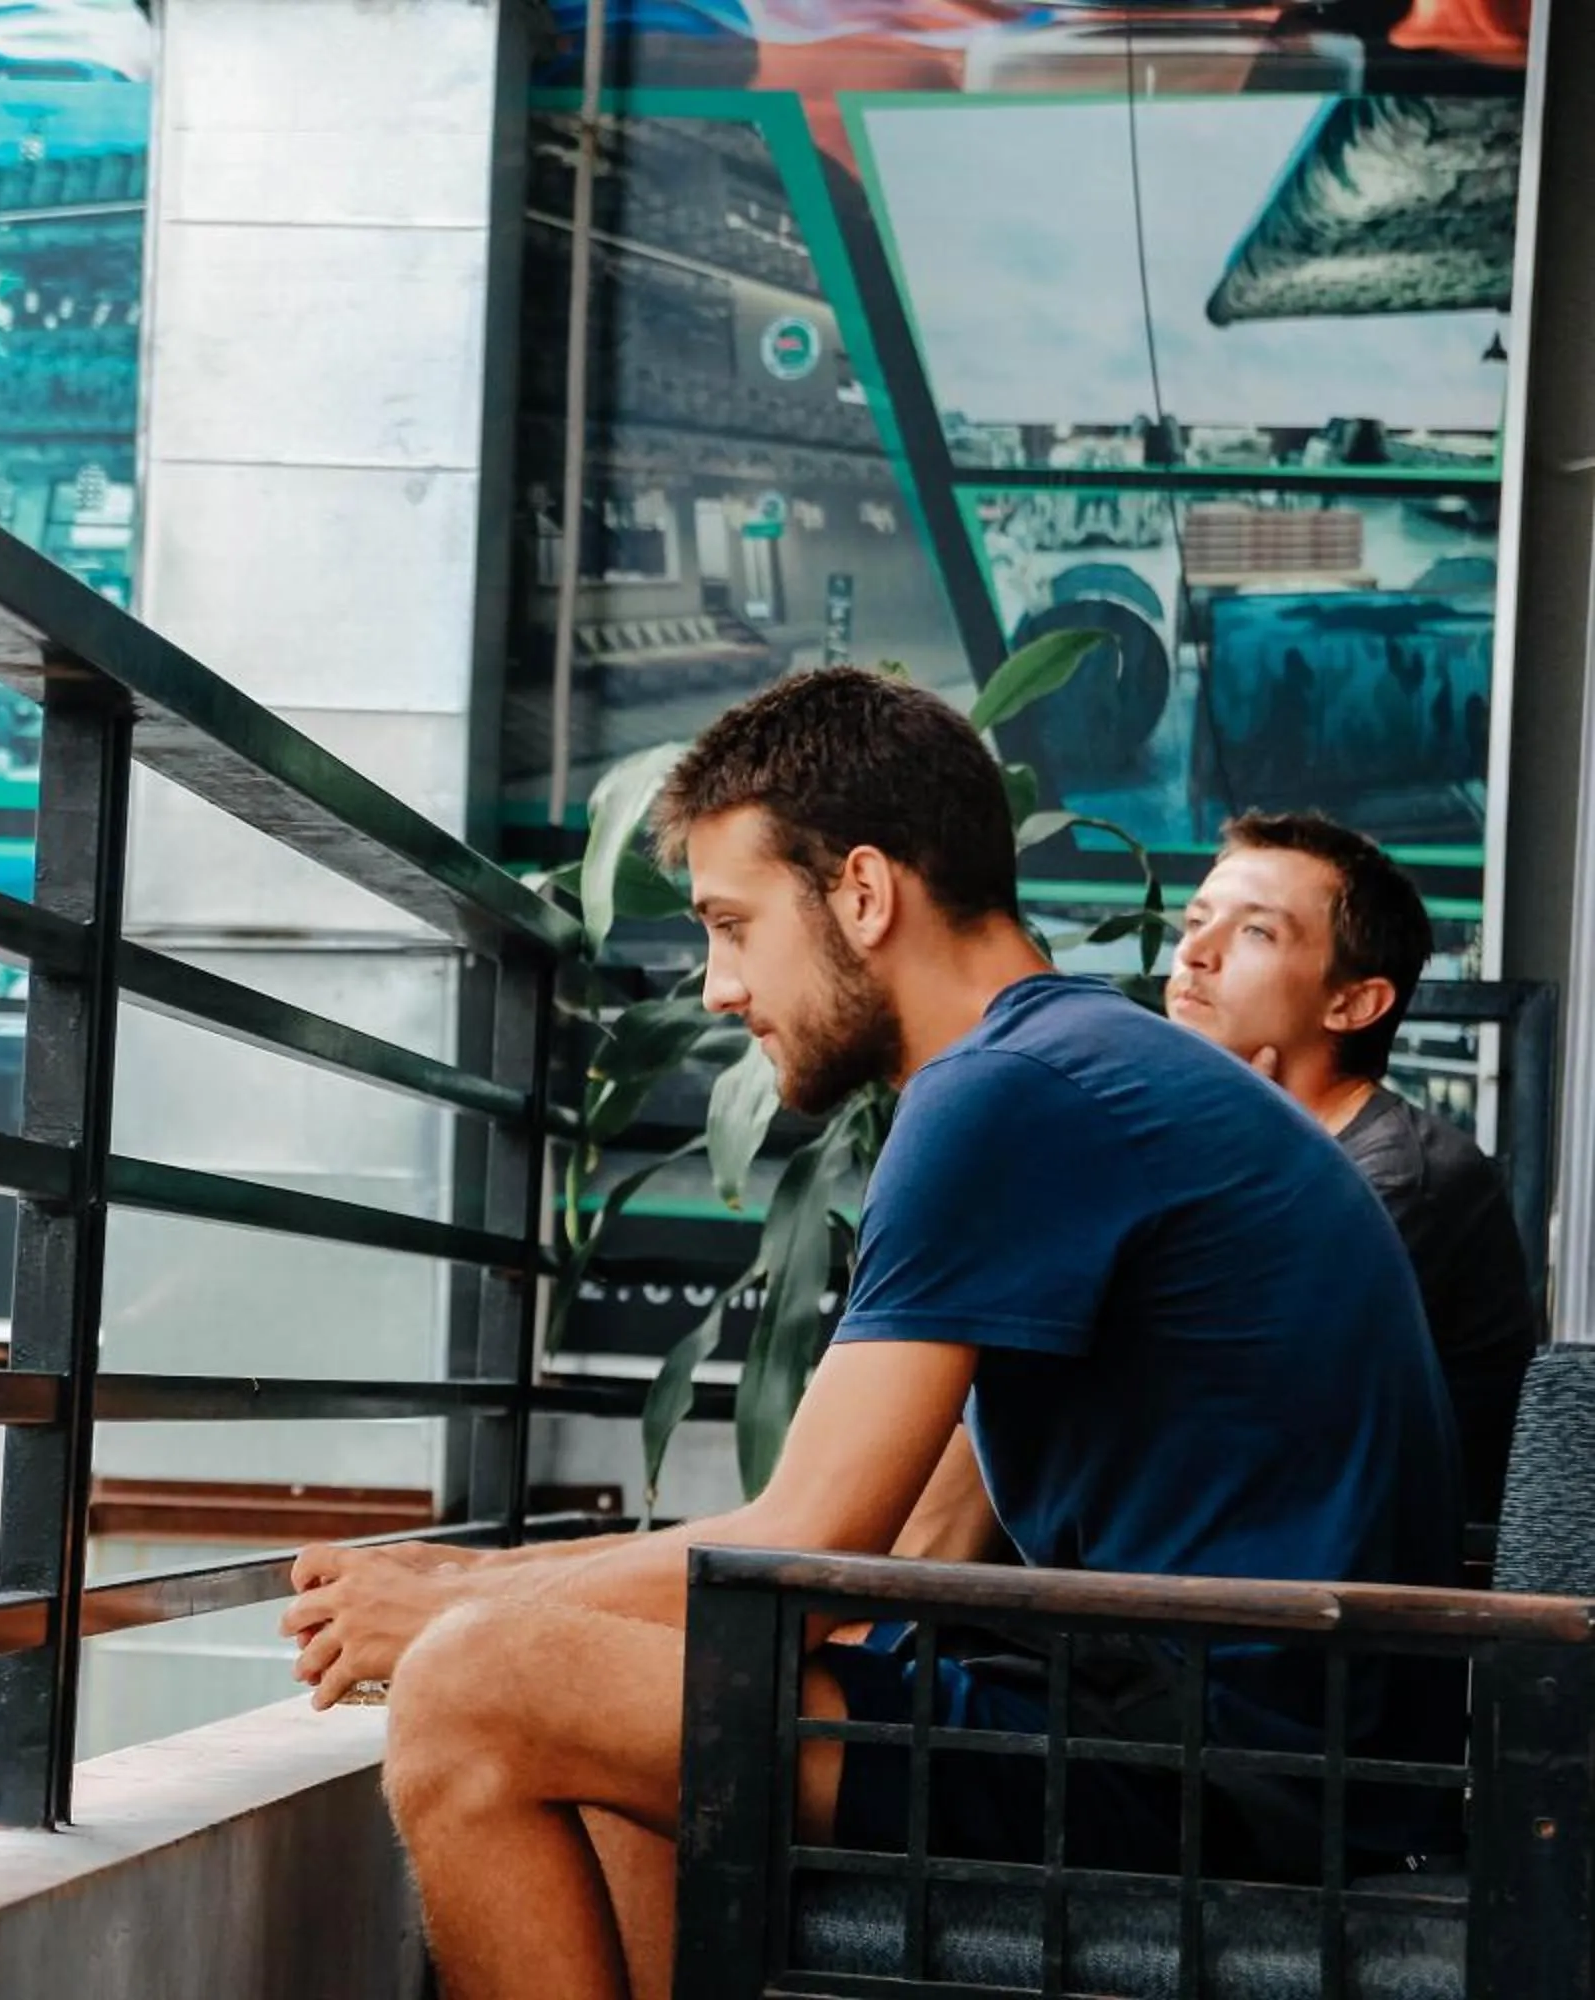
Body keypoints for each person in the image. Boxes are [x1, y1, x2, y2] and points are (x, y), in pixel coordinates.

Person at [280, 670, 1460, 2000]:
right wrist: (482, 1595)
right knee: (604, 1715)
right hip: (1256, 1744)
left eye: (732, 925)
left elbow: (811, 1544)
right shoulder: (1074, 1065)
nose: (720, 988)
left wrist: (460, 1601)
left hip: (1232, 1776)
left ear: (862, 892)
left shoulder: (1006, 1093)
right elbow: (904, 1537)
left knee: (470, 1694)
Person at [1168, 809, 1538, 1522]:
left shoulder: (1399, 1181)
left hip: (1346, 1610)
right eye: (1194, 921)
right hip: (1220, 1574)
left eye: (1256, 932)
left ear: (1354, 1001)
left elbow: (1207, 1392)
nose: (1196, 955)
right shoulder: (1244, 1150)